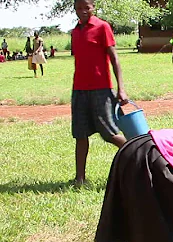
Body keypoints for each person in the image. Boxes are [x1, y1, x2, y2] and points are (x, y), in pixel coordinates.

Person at [71, 0, 129, 186]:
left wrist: (121, 88)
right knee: (80, 134)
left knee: (109, 133)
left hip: (101, 90)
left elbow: (114, 58)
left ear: (93, 7)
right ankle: (80, 179)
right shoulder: (75, 31)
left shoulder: (102, 27)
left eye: (86, 7)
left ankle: (140, 155)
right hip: (79, 90)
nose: (83, 11)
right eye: (79, 8)